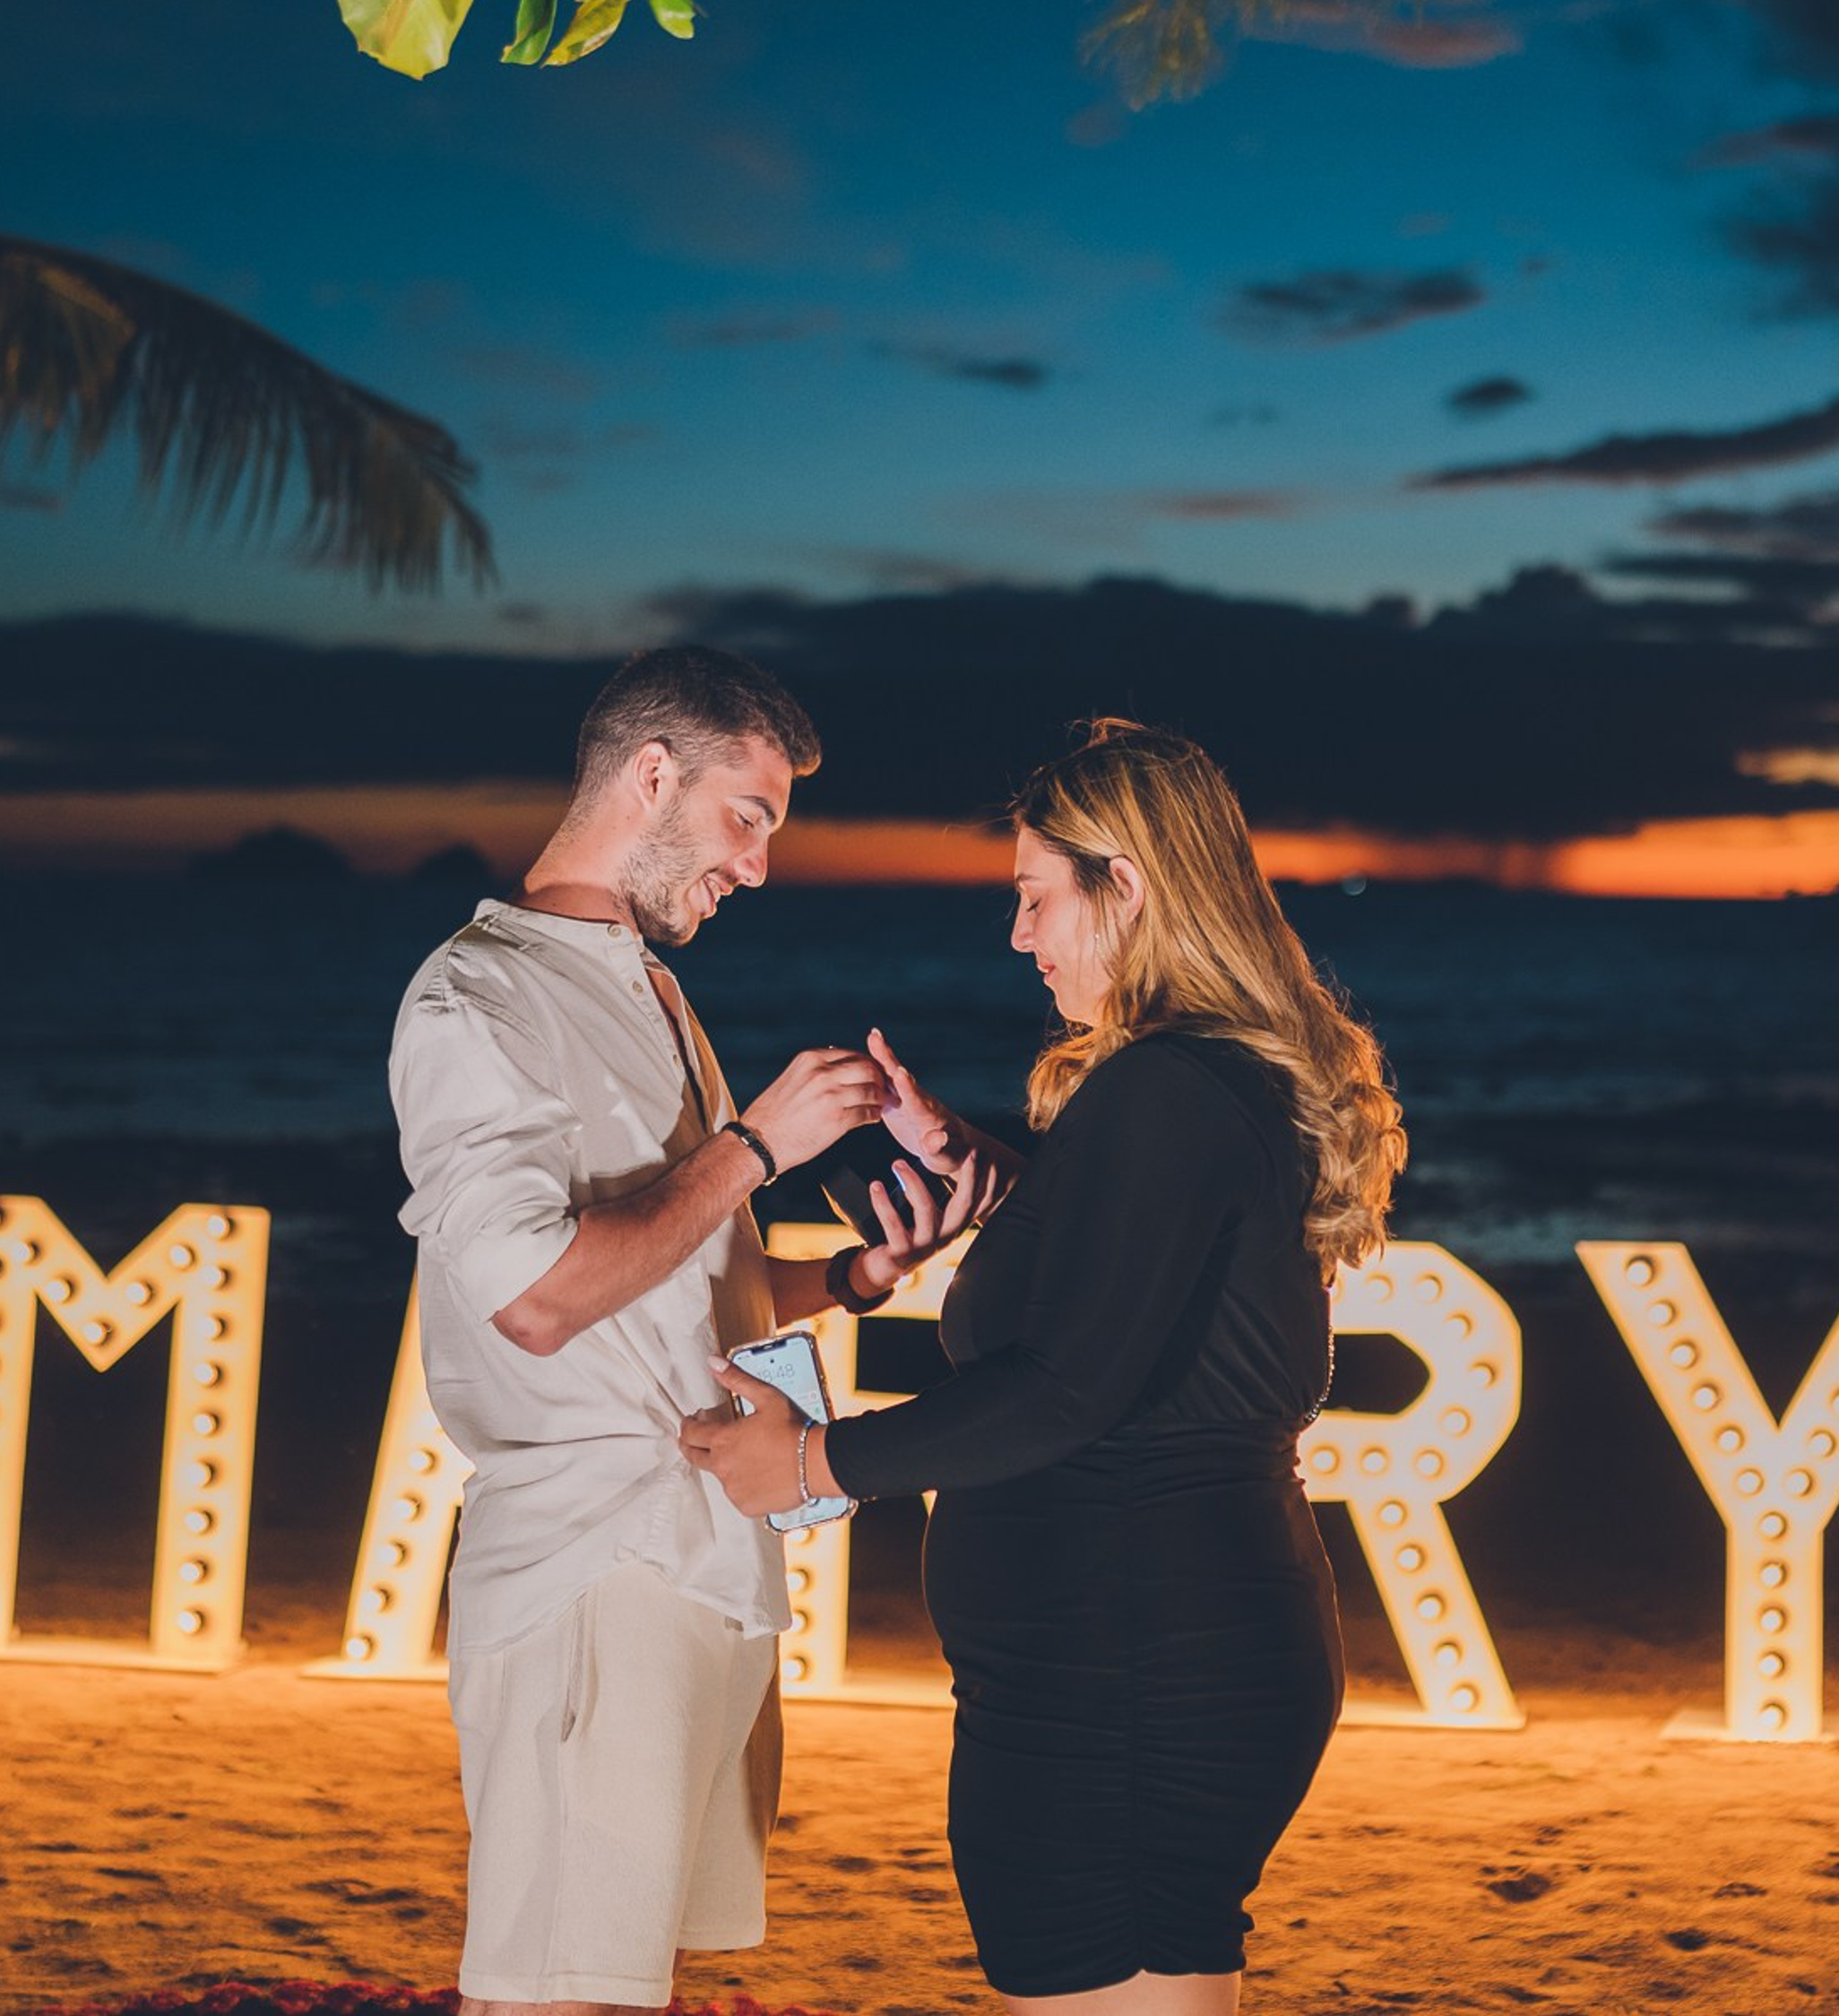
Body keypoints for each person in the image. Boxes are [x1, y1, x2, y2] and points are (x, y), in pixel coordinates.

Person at [680, 719, 1407, 2016]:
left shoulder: (1164, 1089)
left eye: (1035, 896)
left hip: (1122, 1677)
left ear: (1123, 886)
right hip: (1167, 1652)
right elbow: (1150, 1289)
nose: (1021, 936)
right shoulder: (1202, 1082)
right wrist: (977, 1167)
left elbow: (1071, 1387)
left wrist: (810, 1460)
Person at [389, 645, 992, 2016]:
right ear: (653, 777)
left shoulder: (648, 986)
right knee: (558, 1990)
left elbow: (661, 1274)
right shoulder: (476, 998)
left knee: (633, 1981)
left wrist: (848, 1279)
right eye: (750, 817)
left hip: (708, 1562)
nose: (759, 866)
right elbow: (537, 1299)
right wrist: (755, 1147)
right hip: (591, 1567)